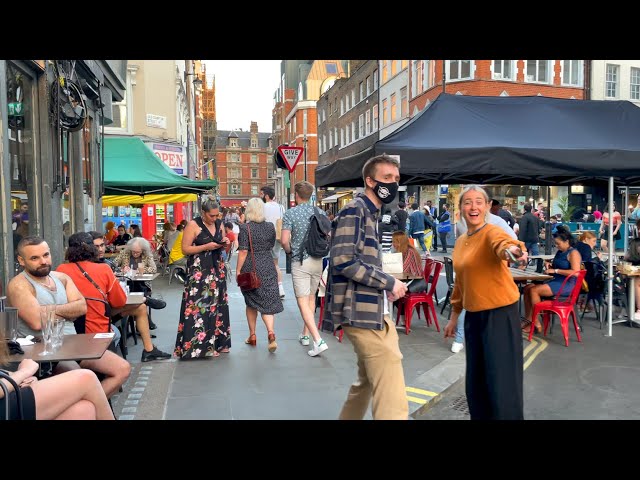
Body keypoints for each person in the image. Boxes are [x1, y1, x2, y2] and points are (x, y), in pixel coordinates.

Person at [322, 154, 409, 420]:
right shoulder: (355, 210)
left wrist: (387, 283)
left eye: (395, 179)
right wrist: (389, 281)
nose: (392, 184)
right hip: (359, 311)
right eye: (386, 178)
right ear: (369, 181)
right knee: (390, 380)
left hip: (372, 309)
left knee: (368, 381)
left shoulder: (370, 213)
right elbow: (343, 260)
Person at [6, 236, 132, 396]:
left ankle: (89, 406)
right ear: (21, 260)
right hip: (44, 354)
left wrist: (48, 310)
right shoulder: (19, 284)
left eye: (45, 255)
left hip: (73, 345)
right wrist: (67, 312)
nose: (43, 261)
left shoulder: (61, 277)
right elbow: (37, 322)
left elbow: (82, 307)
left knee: (122, 368)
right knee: (82, 381)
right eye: (35, 258)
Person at [445, 186, 529, 420]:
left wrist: (514, 250)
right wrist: (454, 317)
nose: (473, 207)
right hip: (474, 318)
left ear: (487, 206)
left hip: (499, 316)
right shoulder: (461, 241)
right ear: (460, 208)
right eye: (468, 202)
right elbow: (461, 283)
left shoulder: (491, 232)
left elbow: (505, 245)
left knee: (502, 384)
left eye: (479, 202)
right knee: (477, 385)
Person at [174, 199, 231, 359]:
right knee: (199, 306)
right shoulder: (193, 225)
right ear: (203, 213)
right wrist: (206, 247)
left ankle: (220, 343)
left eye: (216, 215)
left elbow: (222, 244)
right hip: (199, 272)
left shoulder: (219, 223)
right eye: (211, 216)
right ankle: (200, 346)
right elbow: (185, 249)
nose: (214, 218)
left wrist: (224, 242)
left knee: (218, 305)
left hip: (217, 268)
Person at [0, 344, 115, 420]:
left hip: (7, 392)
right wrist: (24, 372)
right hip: (4, 403)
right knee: (86, 378)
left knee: (84, 410)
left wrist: (17, 376)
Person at [281, 181, 328, 356]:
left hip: (300, 260)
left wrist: (289, 251)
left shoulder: (291, 213)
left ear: (296, 195)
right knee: (310, 298)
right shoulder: (320, 212)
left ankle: (318, 340)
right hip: (318, 259)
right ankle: (305, 334)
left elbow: (285, 240)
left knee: (301, 301)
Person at [238, 198, 284, 353]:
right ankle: (271, 333)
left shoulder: (245, 228)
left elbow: (243, 250)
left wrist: (238, 270)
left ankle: (252, 336)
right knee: (267, 302)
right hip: (268, 265)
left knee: (251, 302)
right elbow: (271, 245)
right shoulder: (270, 226)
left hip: (251, 267)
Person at [522, 225, 582, 334]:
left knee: (534, 290)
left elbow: (575, 272)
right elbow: (556, 266)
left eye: (558, 244)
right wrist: (550, 266)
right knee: (527, 288)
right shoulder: (560, 252)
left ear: (567, 241)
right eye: (556, 243)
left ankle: (536, 322)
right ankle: (529, 320)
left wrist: (555, 271)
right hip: (556, 282)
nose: (557, 246)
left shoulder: (573, 253)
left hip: (566, 285)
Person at [260, 185, 286, 298]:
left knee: (263, 263)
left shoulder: (262, 207)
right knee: (275, 264)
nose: (260, 196)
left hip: (264, 237)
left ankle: (267, 288)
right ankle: (280, 288)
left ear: (266, 195)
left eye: (261, 194)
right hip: (277, 237)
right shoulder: (281, 207)